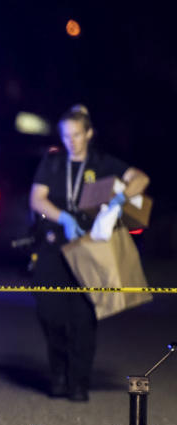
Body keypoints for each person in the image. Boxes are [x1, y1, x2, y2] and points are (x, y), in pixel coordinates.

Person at [28, 105, 148, 402]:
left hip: (89, 249)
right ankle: (58, 373)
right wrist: (63, 217)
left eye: (77, 135)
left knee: (84, 319)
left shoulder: (102, 163)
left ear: (89, 133)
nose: (72, 141)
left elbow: (140, 179)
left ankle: (78, 382)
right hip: (55, 247)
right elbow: (37, 199)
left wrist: (119, 200)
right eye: (66, 136)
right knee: (50, 313)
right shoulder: (53, 163)